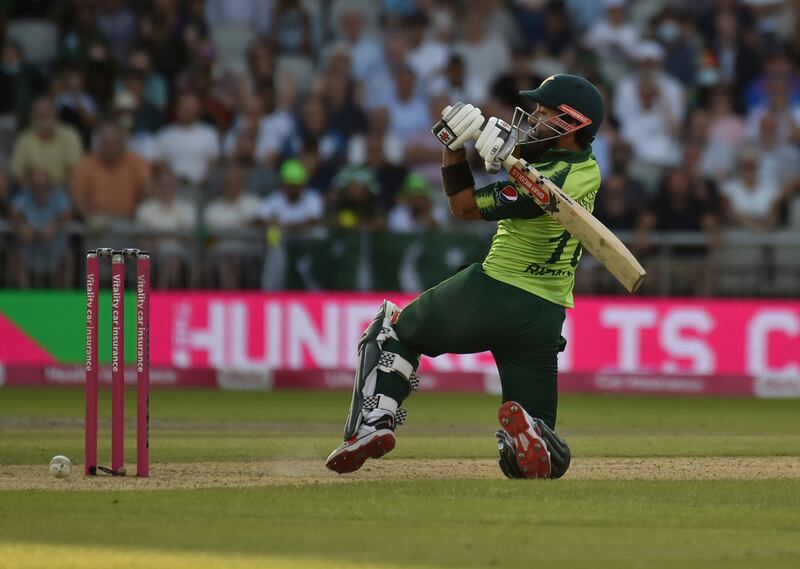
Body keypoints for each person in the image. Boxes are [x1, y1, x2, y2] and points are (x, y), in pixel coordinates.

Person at [326, 74, 603, 480]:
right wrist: (457, 147)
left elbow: (466, 207)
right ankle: (534, 437)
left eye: (543, 114)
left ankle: (371, 425)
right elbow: (470, 202)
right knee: (525, 456)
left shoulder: (561, 176)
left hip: (495, 292)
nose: (533, 119)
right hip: (544, 317)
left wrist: (491, 159)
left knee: (392, 329)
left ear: (570, 124)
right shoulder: (588, 169)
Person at [10, 168, 72, 288]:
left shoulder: (58, 197)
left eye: (44, 187)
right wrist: (21, 224)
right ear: (30, 186)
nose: (40, 190)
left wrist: (54, 225)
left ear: (50, 186)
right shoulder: (23, 196)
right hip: (29, 250)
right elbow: (14, 212)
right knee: (15, 257)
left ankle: (59, 300)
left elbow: (67, 213)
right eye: (36, 187)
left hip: (54, 250)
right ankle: (24, 299)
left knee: (67, 258)